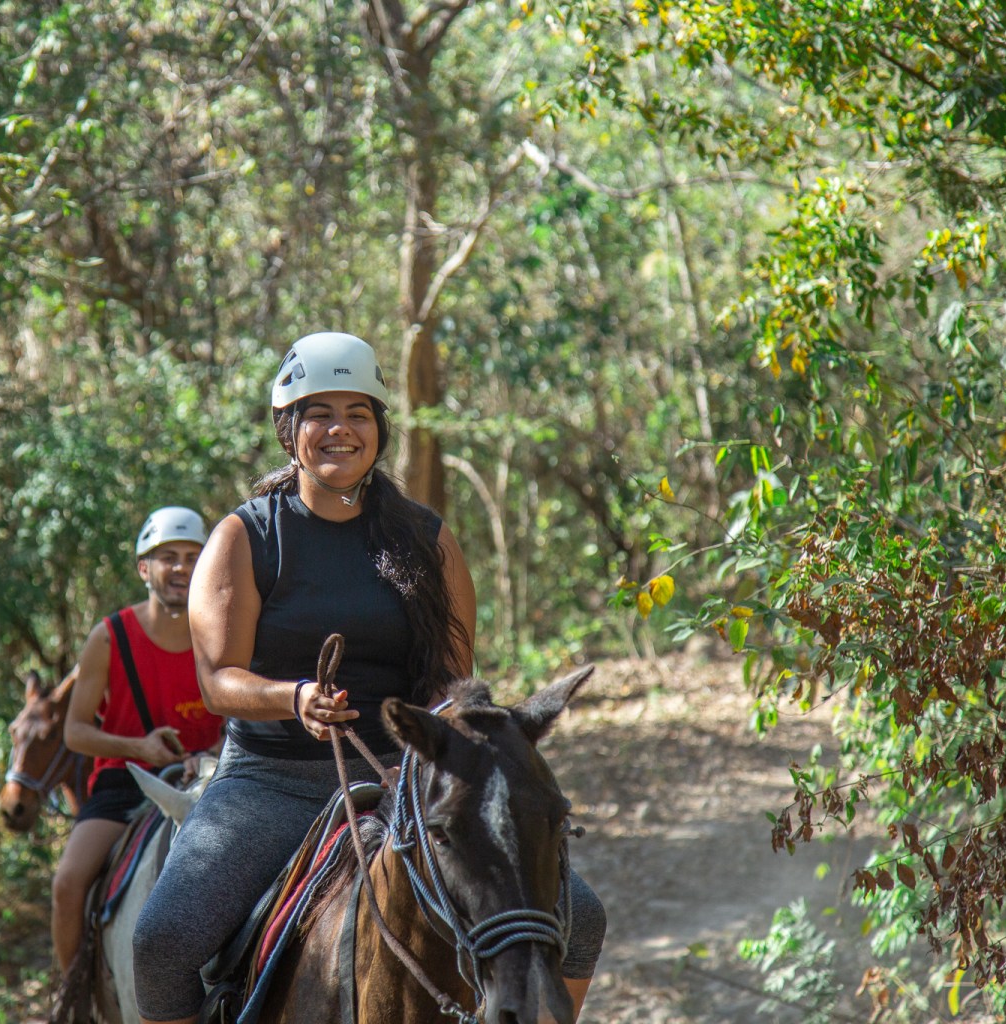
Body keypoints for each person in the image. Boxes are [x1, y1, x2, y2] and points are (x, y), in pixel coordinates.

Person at [131, 332, 606, 1024]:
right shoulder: (245, 537)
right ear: (289, 428)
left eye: (359, 412)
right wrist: (293, 699)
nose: (340, 430)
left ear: (379, 429)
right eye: (319, 412)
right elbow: (218, 680)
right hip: (271, 781)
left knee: (580, 918)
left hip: (400, 779)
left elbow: (451, 676)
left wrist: (458, 732)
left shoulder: (426, 538)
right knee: (162, 940)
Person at [50, 506, 225, 973]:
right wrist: (139, 748)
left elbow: (240, 716)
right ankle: (73, 1001)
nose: (182, 568)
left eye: (193, 556)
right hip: (125, 786)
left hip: (210, 783)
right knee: (68, 884)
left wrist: (211, 755)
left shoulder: (221, 634)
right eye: (168, 557)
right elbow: (76, 732)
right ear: (144, 568)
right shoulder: (109, 638)